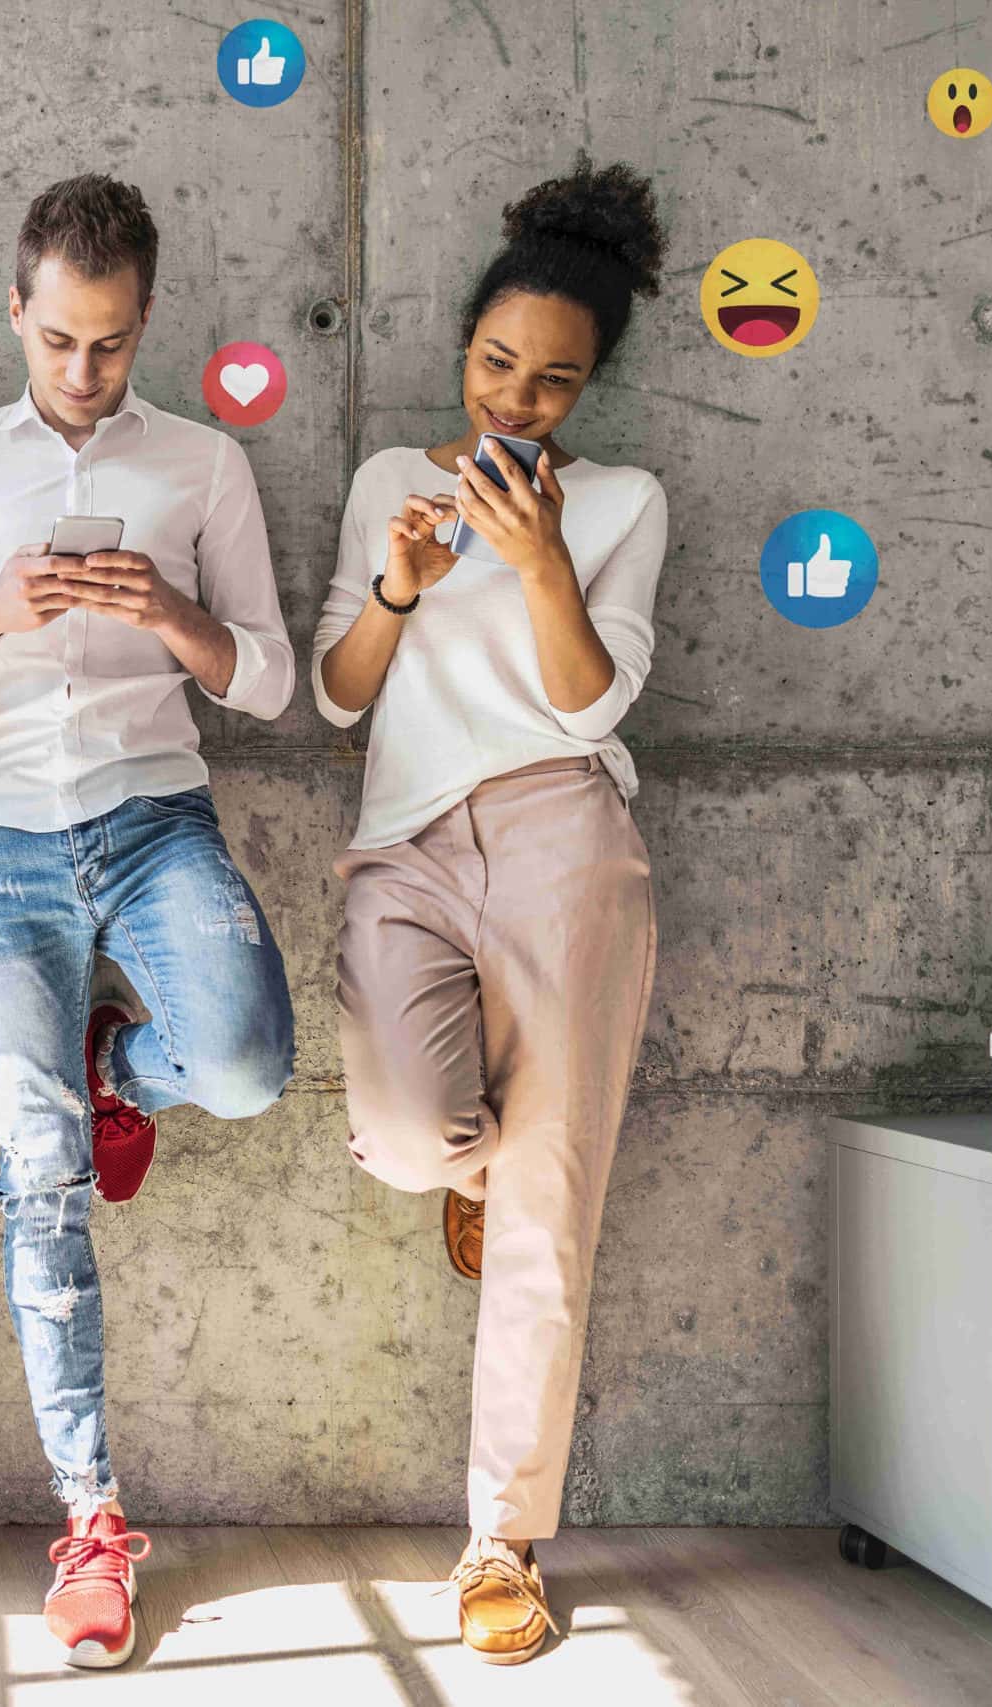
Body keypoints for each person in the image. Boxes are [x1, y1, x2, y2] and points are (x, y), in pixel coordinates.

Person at [0, 173, 297, 1671]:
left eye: (107, 346)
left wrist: (168, 615)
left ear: (143, 323)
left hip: (155, 816)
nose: (82, 374)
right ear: (16, 314)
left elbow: (275, 685)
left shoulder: (203, 465)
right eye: (57, 342)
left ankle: (130, 1072)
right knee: (38, 1171)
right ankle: (92, 1515)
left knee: (242, 1068)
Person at [314, 155, 669, 1665]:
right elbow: (339, 696)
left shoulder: (625, 502)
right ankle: (463, 1168)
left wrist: (535, 561)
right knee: (408, 1135)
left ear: (590, 390)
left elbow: (596, 698)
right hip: (404, 846)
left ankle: (500, 1544)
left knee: (554, 1207)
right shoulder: (391, 483)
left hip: (561, 837)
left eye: (552, 381)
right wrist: (395, 589)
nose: (515, 399)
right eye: (496, 363)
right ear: (463, 350)